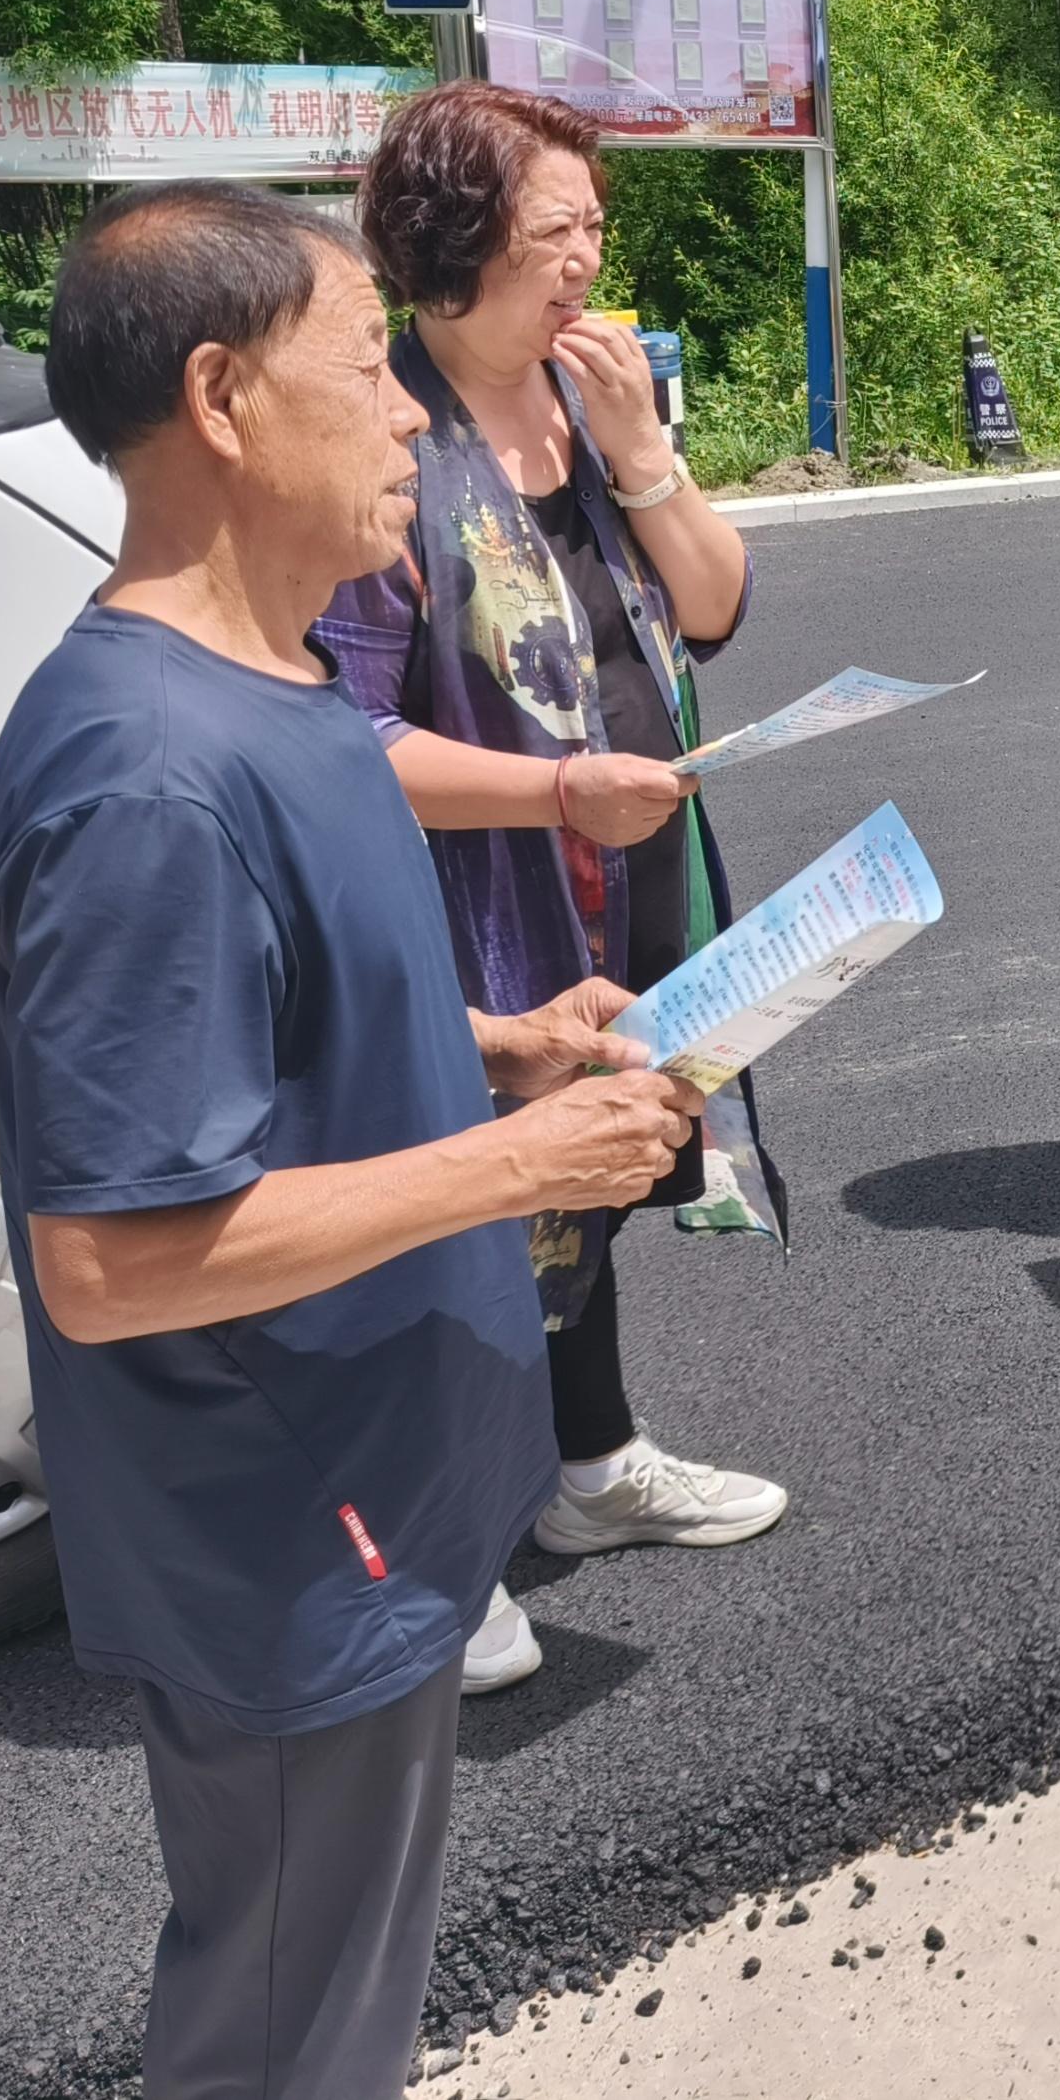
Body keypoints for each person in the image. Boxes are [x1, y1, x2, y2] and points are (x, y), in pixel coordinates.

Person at [0, 183, 703, 2100]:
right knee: (290, 2012)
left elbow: (280, 1024)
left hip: (372, 1467)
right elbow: (113, 1252)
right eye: (367, 363)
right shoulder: (142, 773)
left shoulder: (284, 677)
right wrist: (522, 1165)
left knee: (339, 1978)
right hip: (291, 1526)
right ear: (221, 398)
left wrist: (501, 1045)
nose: (404, 414)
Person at [314, 83, 785, 1698]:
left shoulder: (594, 403)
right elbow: (345, 736)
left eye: (595, 224)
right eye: (554, 228)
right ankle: (439, 1547)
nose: (586, 257)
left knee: (592, 1174)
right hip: (478, 898)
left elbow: (711, 609)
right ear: (454, 236)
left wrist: (644, 456)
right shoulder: (385, 431)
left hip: (627, 871)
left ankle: (587, 1467)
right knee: (466, 1214)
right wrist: (557, 789)